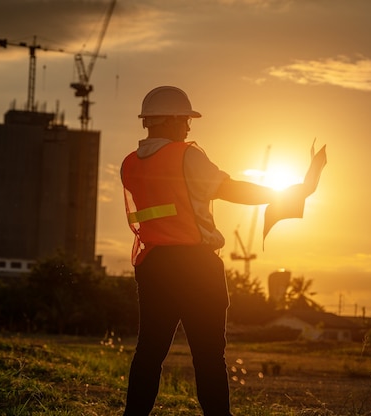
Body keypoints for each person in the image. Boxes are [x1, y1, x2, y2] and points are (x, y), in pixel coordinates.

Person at [120, 86, 293, 416]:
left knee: (149, 352)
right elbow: (228, 189)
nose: (188, 128)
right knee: (209, 355)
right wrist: (280, 194)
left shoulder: (129, 164)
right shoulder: (187, 155)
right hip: (195, 267)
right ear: (171, 121)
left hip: (153, 265)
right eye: (185, 120)